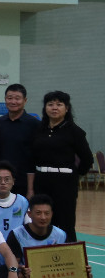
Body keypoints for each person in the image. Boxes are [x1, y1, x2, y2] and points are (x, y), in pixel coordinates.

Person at [28, 90, 93, 242]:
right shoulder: (39, 130)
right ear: (45, 108)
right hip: (41, 181)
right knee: (41, 221)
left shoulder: (74, 131)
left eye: (59, 104)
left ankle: (69, 255)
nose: (54, 108)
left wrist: (74, 175)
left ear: (67, 108)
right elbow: (32, 158)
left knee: (65, 222)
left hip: (65, 183)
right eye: (50, 104)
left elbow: (87, 159)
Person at [6, 195, 88, 278]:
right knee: (18, 276)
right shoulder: (17, 234)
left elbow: (70, 260)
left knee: (86, 275)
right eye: (38, 213)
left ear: (52, 214)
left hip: (52, 277)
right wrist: (22, 268)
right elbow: (12, 263)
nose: (43, 217)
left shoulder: (60, 234)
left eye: (47, 213)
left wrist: (82, 267)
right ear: (29, 214)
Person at [0, 84, 39, 195]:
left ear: (25, 100)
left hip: (25, 181)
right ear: (5, 99)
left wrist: (31, 188)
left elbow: (36, 156)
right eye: (9, 98)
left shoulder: (34, 124)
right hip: (2, 180)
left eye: (17, 98)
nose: (13, 102)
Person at [0, 161, 29, 234]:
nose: (3, 182)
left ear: (13, 181)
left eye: (7, 179)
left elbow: (29, 226)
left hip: (16, 241)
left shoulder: (22, 201)